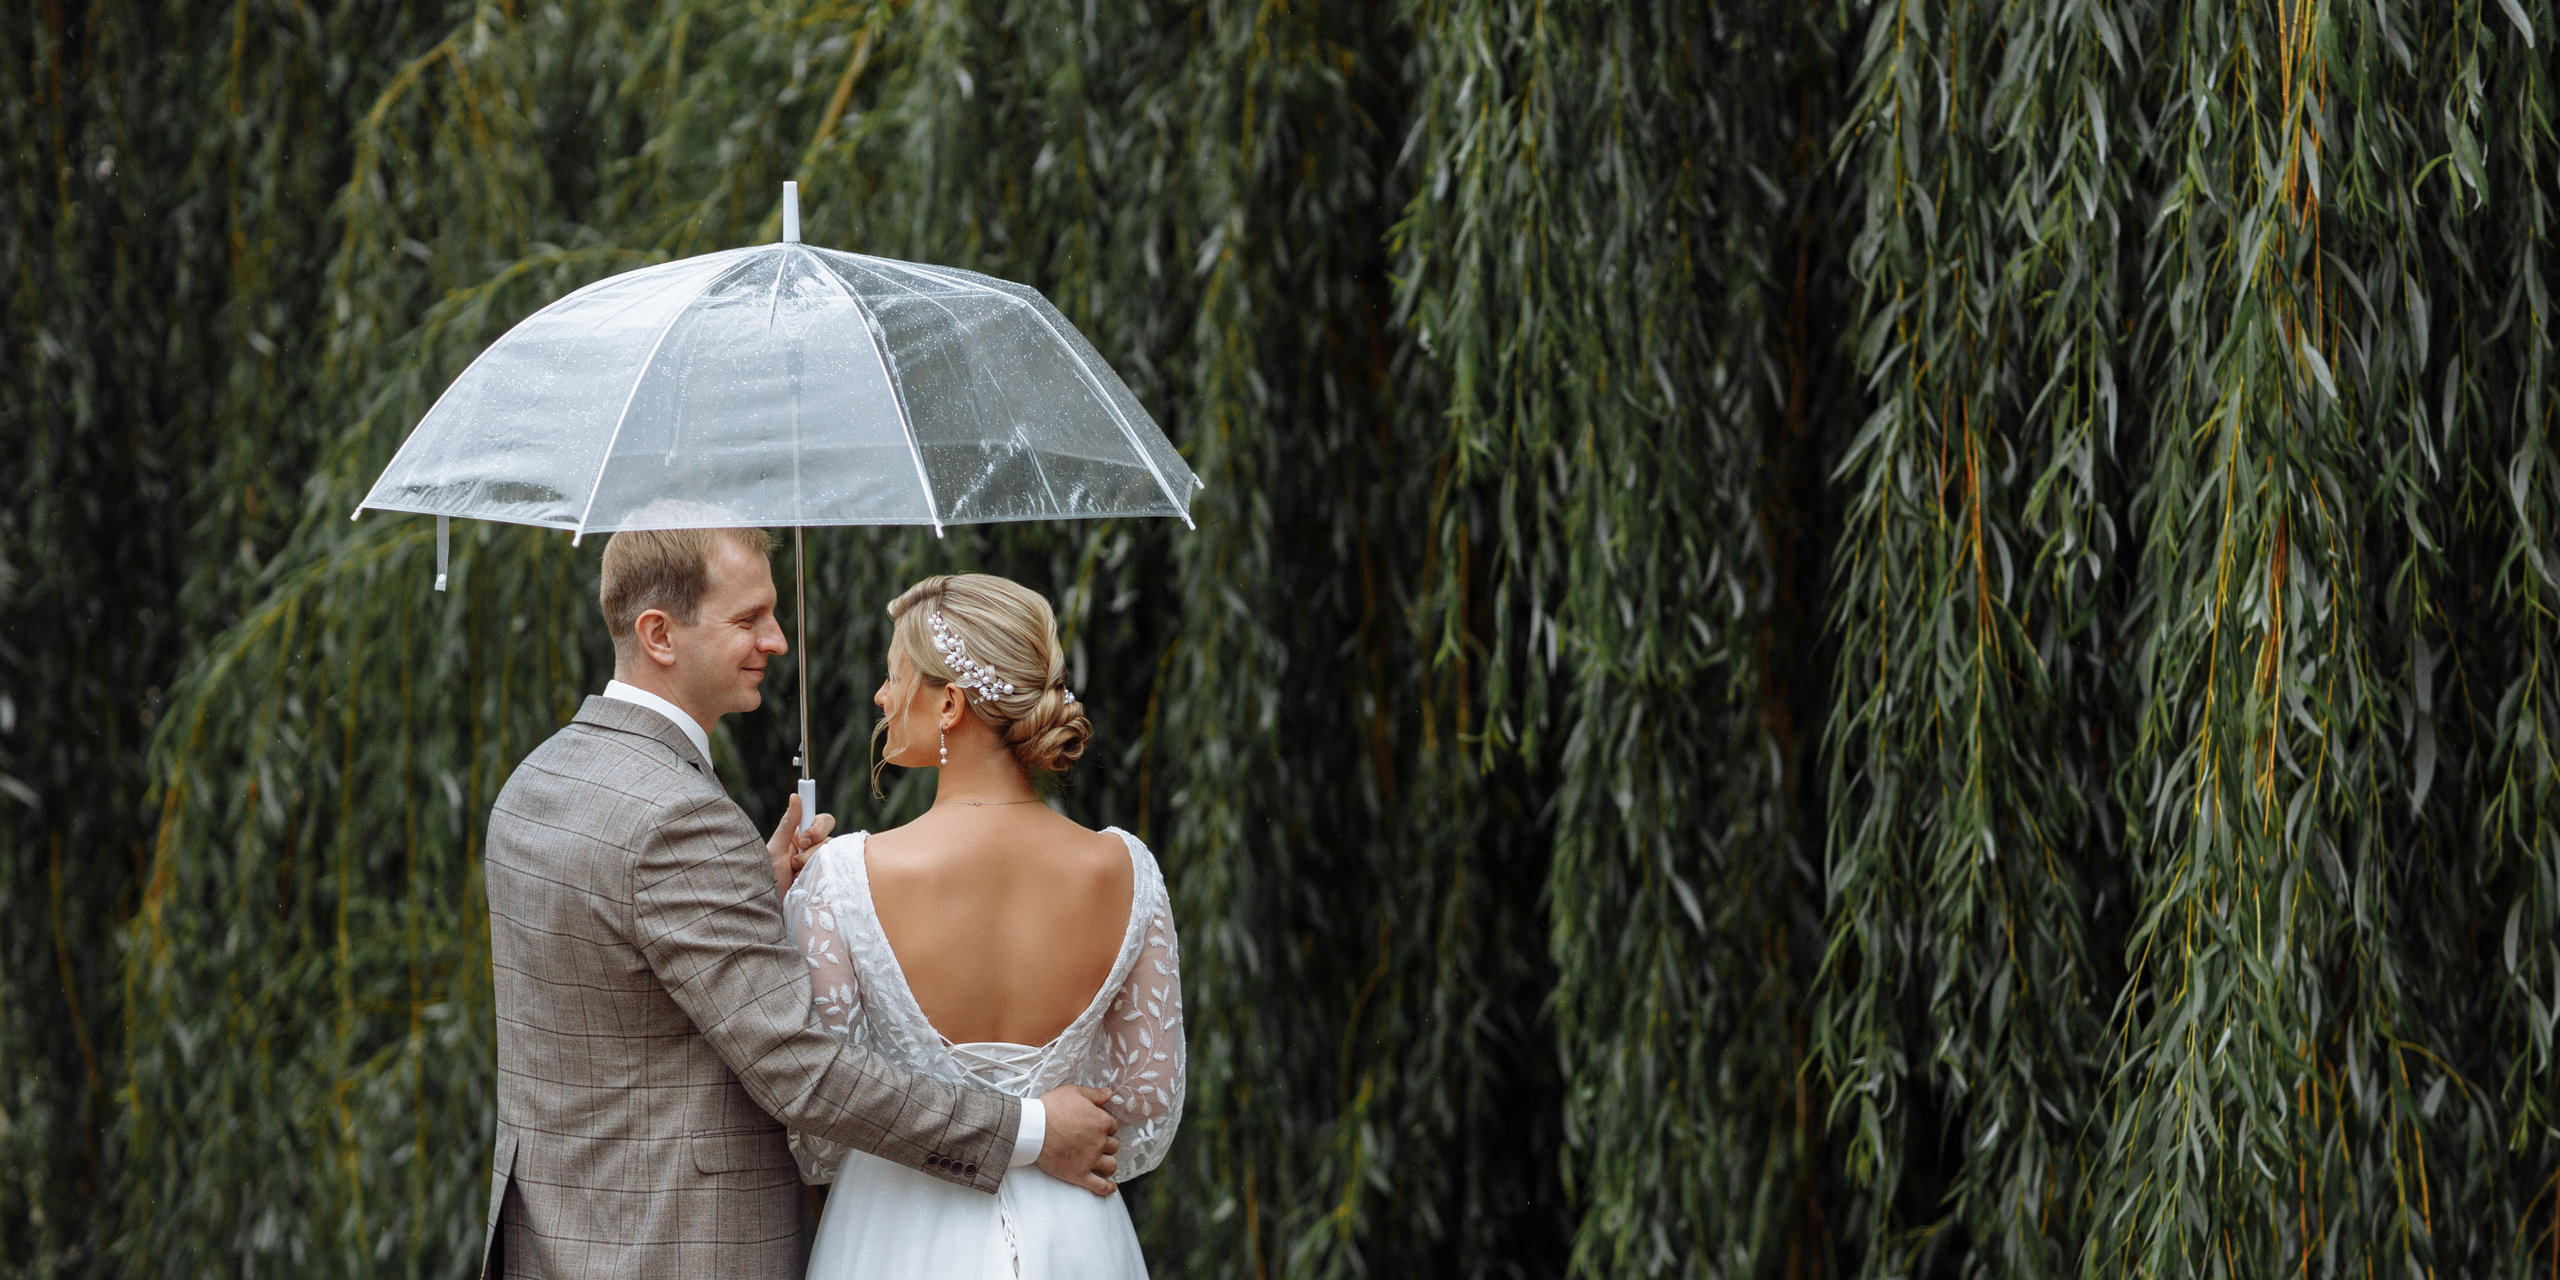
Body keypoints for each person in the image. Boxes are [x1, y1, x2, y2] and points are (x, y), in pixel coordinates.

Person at [478, 527, 1121, 1279]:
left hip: (556, 1240)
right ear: (660, 634)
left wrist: (748, 886)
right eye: (748, 620)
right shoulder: (683, 821)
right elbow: (804, 1074)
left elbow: (616, 977)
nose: (777, 641)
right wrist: (1031, 1128)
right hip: (680, 1248)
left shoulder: (534, 783)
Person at [781, 573, 1184, 1280]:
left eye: (894, 674)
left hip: (896, 1234)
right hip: (1075, 1230)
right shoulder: (1126, 868)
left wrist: (798, 903)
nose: (880, 696)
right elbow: (1146, 1105)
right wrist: (1045, 1113)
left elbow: (818, 1127)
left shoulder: (842, 879)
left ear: (949, 704)